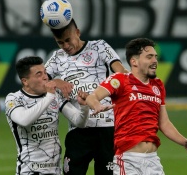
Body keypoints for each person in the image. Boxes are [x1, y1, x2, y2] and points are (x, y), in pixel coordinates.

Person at [85, 38, 187, 174]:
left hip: (152, 161)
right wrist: (97, 105)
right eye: (149, 57)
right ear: (134, 61)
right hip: (128, 161)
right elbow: (92, 97)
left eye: (155, 57)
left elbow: (164, 123)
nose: (155, 61)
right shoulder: (120, 80)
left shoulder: (158, 85)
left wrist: (184, 142)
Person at [44, 18, 128, 175]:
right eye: (60, 43)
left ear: (77, 32)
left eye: (68, 40)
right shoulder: (57, 58)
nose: (66, 46)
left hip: (107, 127)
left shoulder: (99, 46)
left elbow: (121, 72)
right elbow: (39, 82)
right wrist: (56, 81)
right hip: (78, 129)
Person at [4, 56, 92, 175]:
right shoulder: (14, 98)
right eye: (39, 74)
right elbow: (24, 120)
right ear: (25, 81)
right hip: (29, 171)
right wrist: (49, 96)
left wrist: (84, 107)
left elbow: (79, 122)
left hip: (55, 171)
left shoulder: (54, 95)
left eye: (45, 72)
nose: (45, 77)